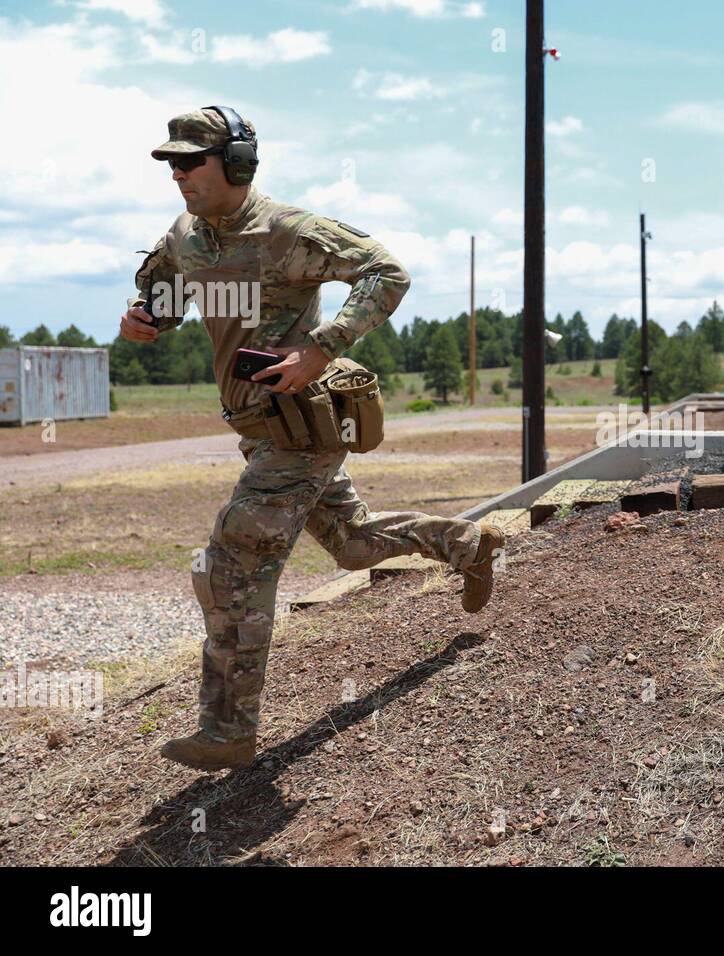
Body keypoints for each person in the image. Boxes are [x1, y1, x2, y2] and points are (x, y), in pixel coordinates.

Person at [121, 107, 504, 771]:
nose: (179, 174)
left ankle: (228, 729)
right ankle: (465, 543)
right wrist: (146, 321)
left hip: (300, 428)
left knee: (232, 560)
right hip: (256, 429)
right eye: (172, 163)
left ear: (237, 163)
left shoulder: (287, 231)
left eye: (193, 161)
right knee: (354, 547)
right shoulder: (185, 236)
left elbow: (386, 272)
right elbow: (162, 293)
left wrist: (319, 350)